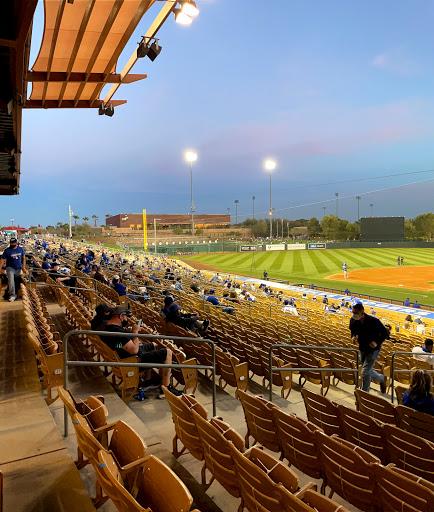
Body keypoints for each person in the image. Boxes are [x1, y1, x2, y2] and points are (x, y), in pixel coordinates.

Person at [101, 306, 182, 397]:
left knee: (154, 345)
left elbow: (118, 345)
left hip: (125, 357)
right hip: (133, 362)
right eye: (126, 317)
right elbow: (134, 350)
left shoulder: (107, 329)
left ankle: (148, 381)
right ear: (120, 316)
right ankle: (166, 389)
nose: (126, 319)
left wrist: (129, 338)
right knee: (167, 352)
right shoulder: (117, 332)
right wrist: (135, 334)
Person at [349, 303, 389, 393]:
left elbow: (385, 333)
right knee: (366, 369)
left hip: (373, 349)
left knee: (365, 372)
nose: (354, 314)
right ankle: (382, 379)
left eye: (356, 312)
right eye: (353, 312)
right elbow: (353, 330)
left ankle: (364, 393)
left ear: (362, 313)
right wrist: (353, 336)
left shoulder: (373, 321)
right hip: (362, 347)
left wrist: (377, 342)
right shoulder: (353, 320)